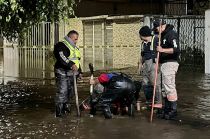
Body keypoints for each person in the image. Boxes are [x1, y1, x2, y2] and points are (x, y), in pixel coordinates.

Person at [153, 19, 180, 120]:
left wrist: (162, 50)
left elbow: (176, 49)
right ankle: (167, 108)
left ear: (161, 26)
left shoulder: (171, 34)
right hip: (164, 63)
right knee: (164, 88)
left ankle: (173, 110)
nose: (156, 31)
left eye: (156, 29)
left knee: (169, 86)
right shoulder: (163, 35)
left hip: (170, 63)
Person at [53, 30, 82, 117]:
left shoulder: (74, 47)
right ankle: (59, 112)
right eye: (75, 39)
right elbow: (62, 57)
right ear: (69, 38)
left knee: (71, 91)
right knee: (63, 91)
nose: (76, 41)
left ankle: (66, 106)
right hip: (62, 72)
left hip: (72, 73)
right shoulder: (61, 45)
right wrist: (71, 64)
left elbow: (76, 60)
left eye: (77, 39)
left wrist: (80, 71)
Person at [139, 26, 162, 110]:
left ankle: (158, 103)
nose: (140, 37)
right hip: (146, 65)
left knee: (156, 84)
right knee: (145, 84)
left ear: (143, 35)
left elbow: (161, 52)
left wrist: (159, 64)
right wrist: (140, 65)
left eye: (140, 35)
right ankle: (149, 101)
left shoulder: (155, 40)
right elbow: (142, 55)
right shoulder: (143, 44)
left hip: (154, 64)